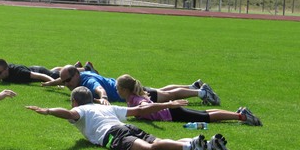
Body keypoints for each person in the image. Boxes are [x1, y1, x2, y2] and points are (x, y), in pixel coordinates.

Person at [27, 86, 235, 150]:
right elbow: (139, 110)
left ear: (74, 101)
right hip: (128, 127)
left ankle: (191, 149)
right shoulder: (105, 107)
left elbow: (68, 114)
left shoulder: (80, 110)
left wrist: (48, 110)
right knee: (157, 143)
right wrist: (168, 104)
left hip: (113, 135)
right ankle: (207, 144)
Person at [116, 74, 262, 126]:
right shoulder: (133, 97)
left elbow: (145, 105)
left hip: (172, 114)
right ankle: (237, 113)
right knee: (205, 113)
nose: (116, 91)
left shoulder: (135, 99)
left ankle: (242, 116)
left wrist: (169, 105)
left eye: (118, 88)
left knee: (206, 117)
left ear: (124, 90)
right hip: (172, 111)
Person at [42, 65, 220, 106]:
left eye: (67, 81)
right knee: (160, 90)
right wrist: (51, 83)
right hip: (127, 86)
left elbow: (99, 89)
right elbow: (63, 78)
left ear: (76, 75)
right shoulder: (81, 74)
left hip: (129, 91)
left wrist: (103, 98)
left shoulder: (87, 81)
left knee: (166, 95)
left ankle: (201, 93)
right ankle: (193, 86)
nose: (66, 85)